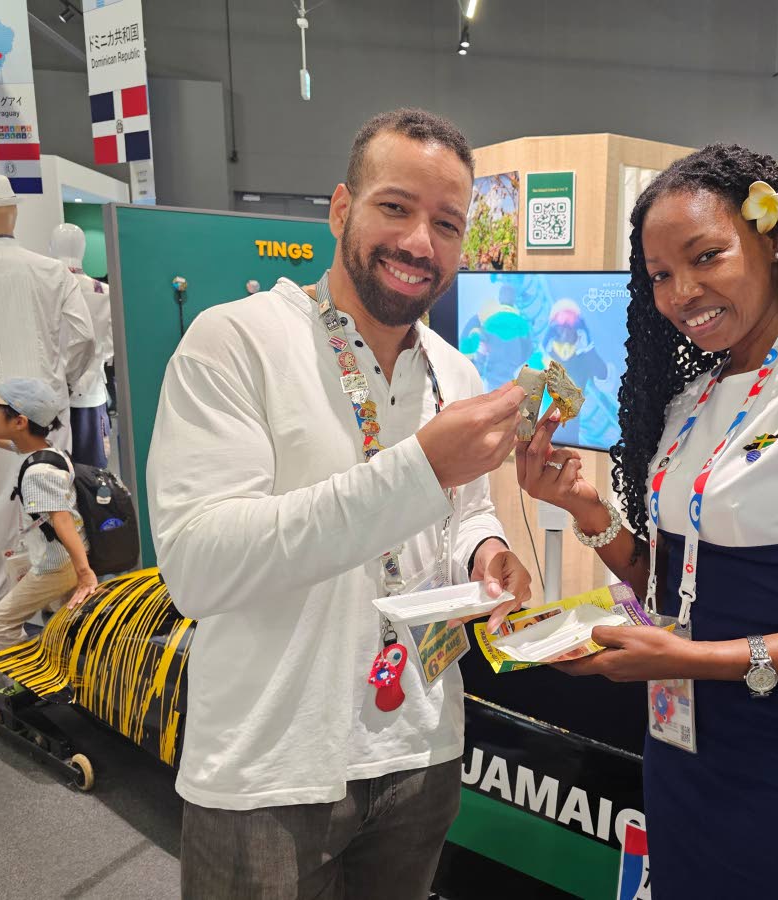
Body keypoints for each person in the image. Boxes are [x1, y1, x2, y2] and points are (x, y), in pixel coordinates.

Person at [517, 144, 778, 899]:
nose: (683, 292)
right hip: (686, 757)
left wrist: (697, 660)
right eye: (659, 275)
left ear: (772, 238)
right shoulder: (694, 398)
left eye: (706, 256)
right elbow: (678, 588)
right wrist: (589, 513)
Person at [146, 109, 533, 900]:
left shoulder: (454, 373)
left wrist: (485, 552)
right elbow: (198, 566)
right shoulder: (234, 343)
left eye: (447, 223)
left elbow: (466, 512)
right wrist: (418, 469)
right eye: (395, 207)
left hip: (421, 750)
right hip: (270, 766)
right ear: (340, 208)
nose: (420, 242)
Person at [0, 175, 95, 629]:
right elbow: (83, 337)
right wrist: (61, 384)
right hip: (46, 409)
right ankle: (57, 597)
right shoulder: (51, 270)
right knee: (55, 504)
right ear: (13, 213)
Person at [0, 378, 98, 651]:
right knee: (66, 625)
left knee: (0, 622)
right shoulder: (48, 451)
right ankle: (60, 668)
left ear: (19, 422)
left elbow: (62, 521)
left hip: (55, 566)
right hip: (66, 559)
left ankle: (28, 673)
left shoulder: (38, 473)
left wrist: (85, 573)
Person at [50, 223, 114, 469]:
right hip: (90, 389)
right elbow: (110, 346)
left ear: (51, 247)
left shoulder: (45, 289)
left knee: (53, 470)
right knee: (92, 473)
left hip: (52, 392)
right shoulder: (103, 291)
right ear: (83, 248)